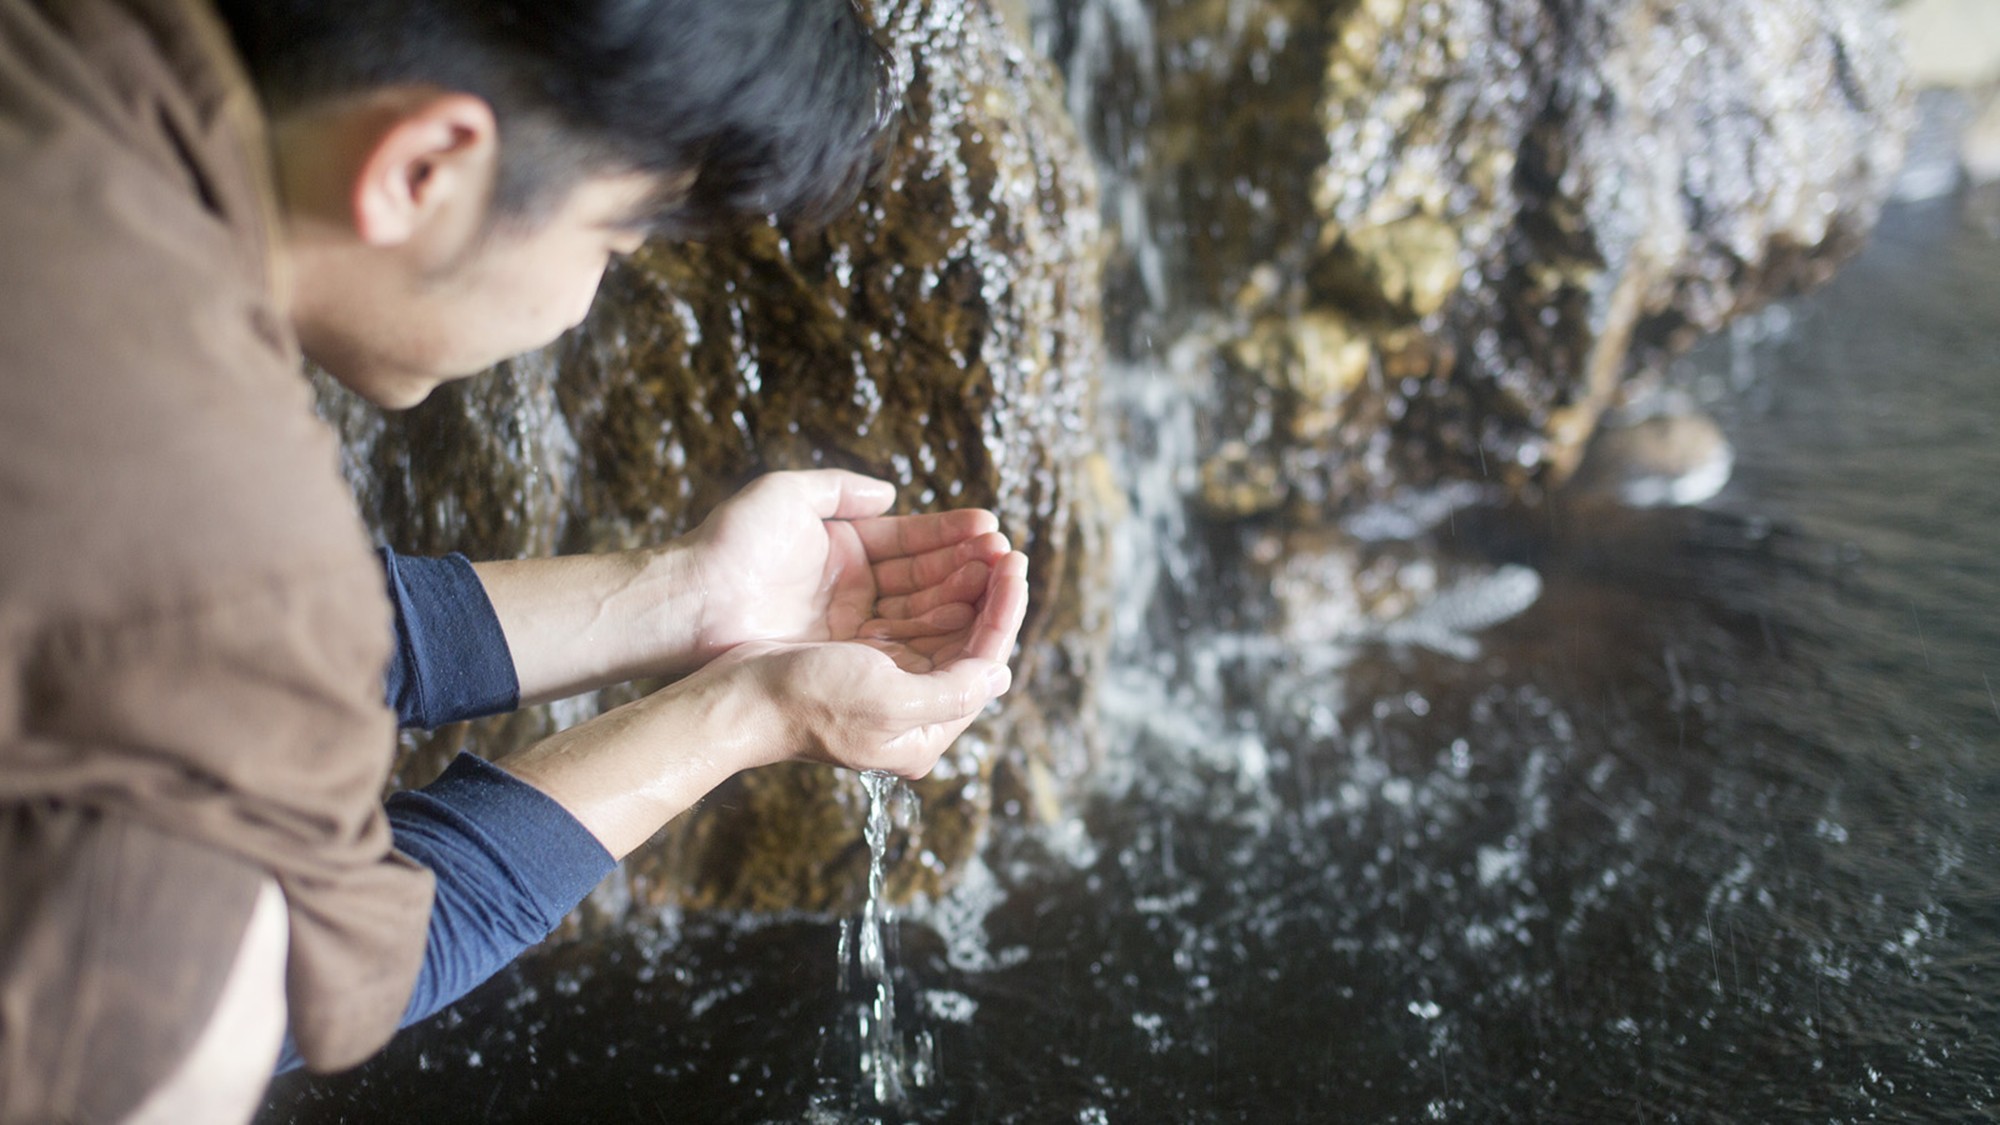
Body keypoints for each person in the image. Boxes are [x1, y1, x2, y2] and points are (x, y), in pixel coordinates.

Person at [0, 0, 1031, 1120]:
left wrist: (687, 598)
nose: (586, 301)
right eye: (611, 240)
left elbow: (182, 635)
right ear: (422, 168)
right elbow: (299, 965)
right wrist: (748, 717)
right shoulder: (217, 491)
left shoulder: (66, 65)